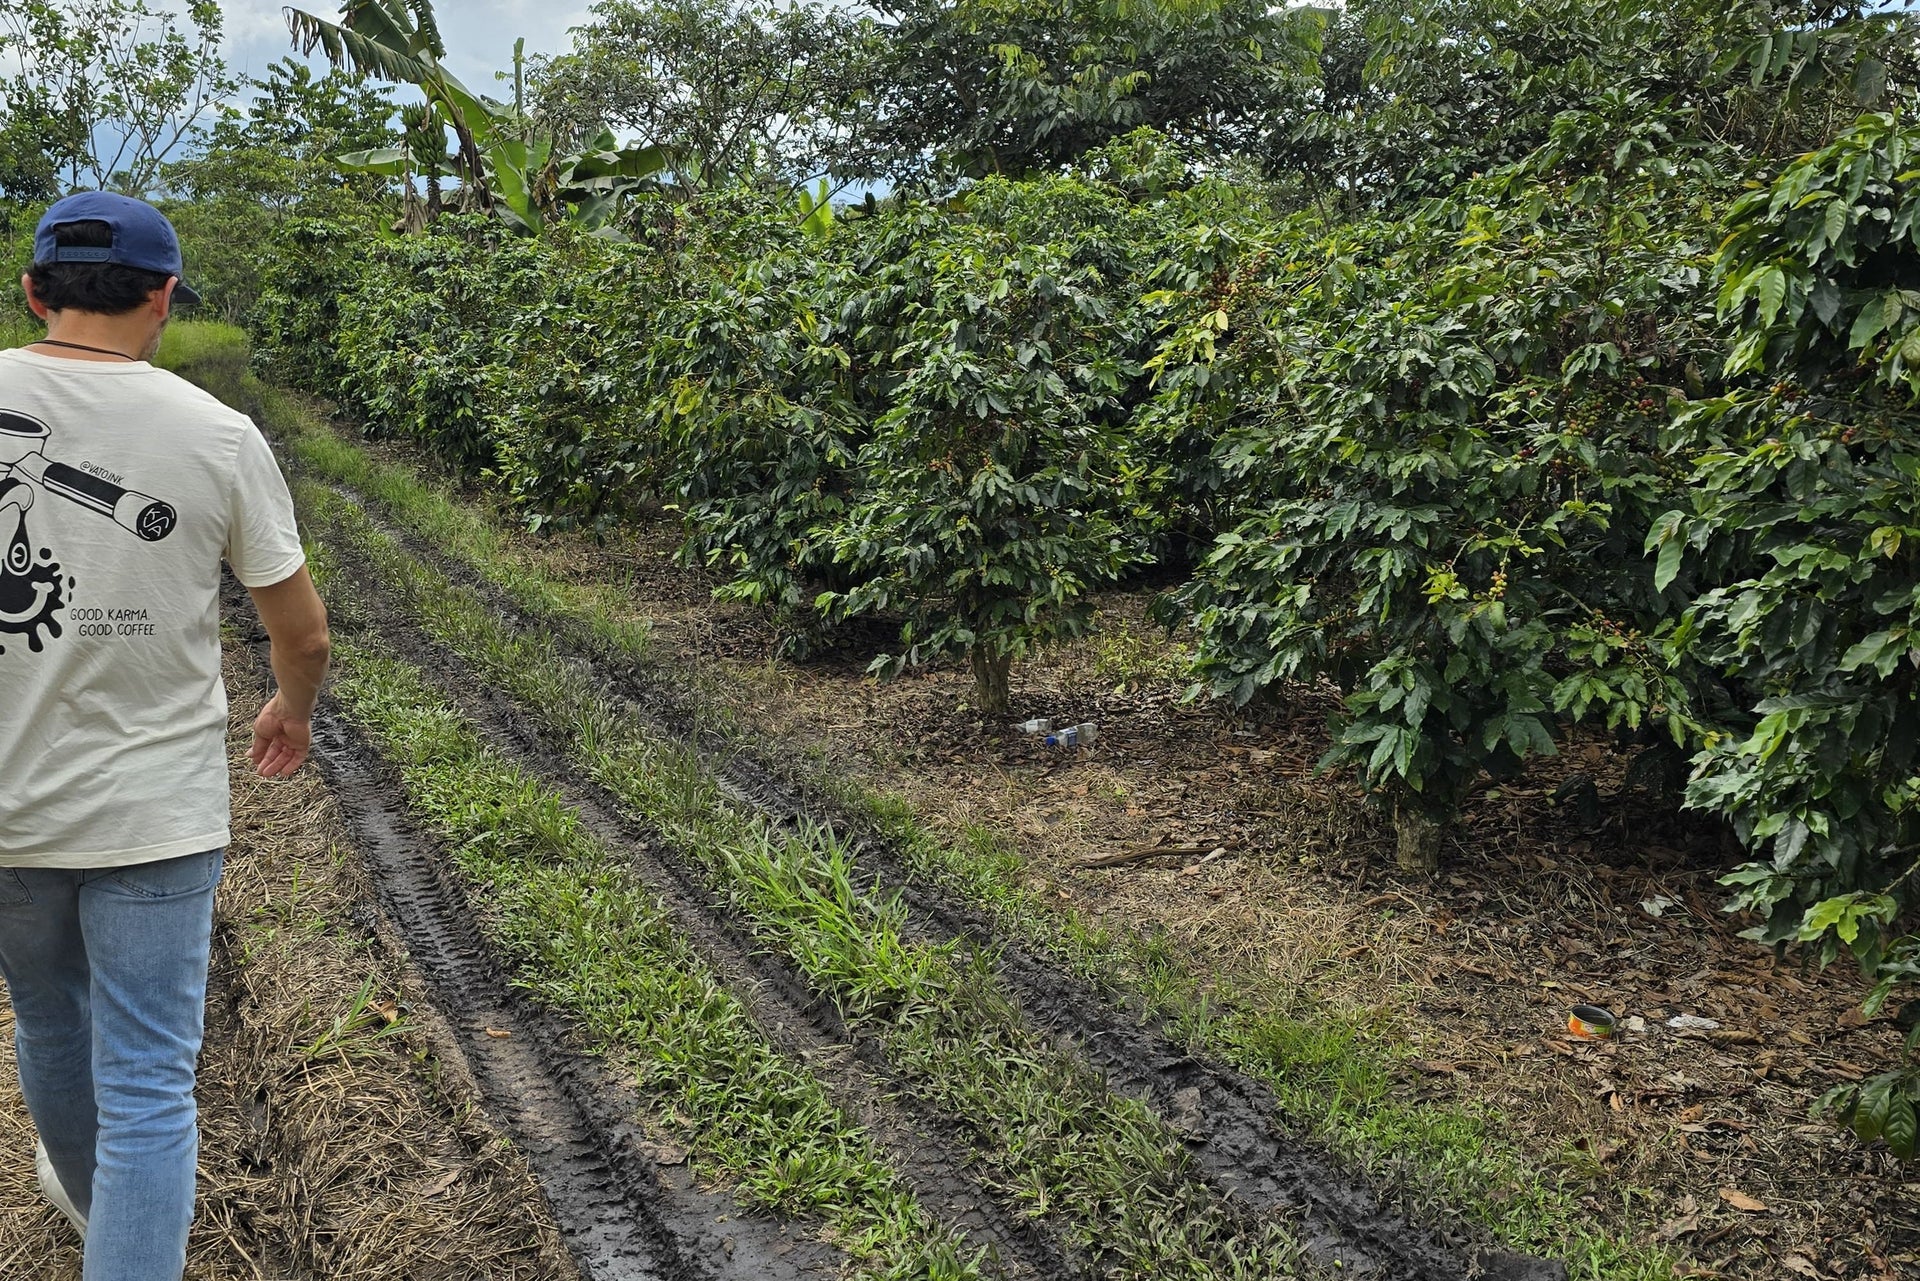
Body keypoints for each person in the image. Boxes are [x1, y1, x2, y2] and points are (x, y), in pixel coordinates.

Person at [0, 191, 329, 1281]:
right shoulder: (216, 435)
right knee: (147, 1081)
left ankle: (102, 1213)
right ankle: (125, 1235)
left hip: (8, 812)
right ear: (165, 298)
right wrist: (293, 706)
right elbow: (303, 632)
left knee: (49, 1027)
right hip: (154, 815)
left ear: (35, 292)